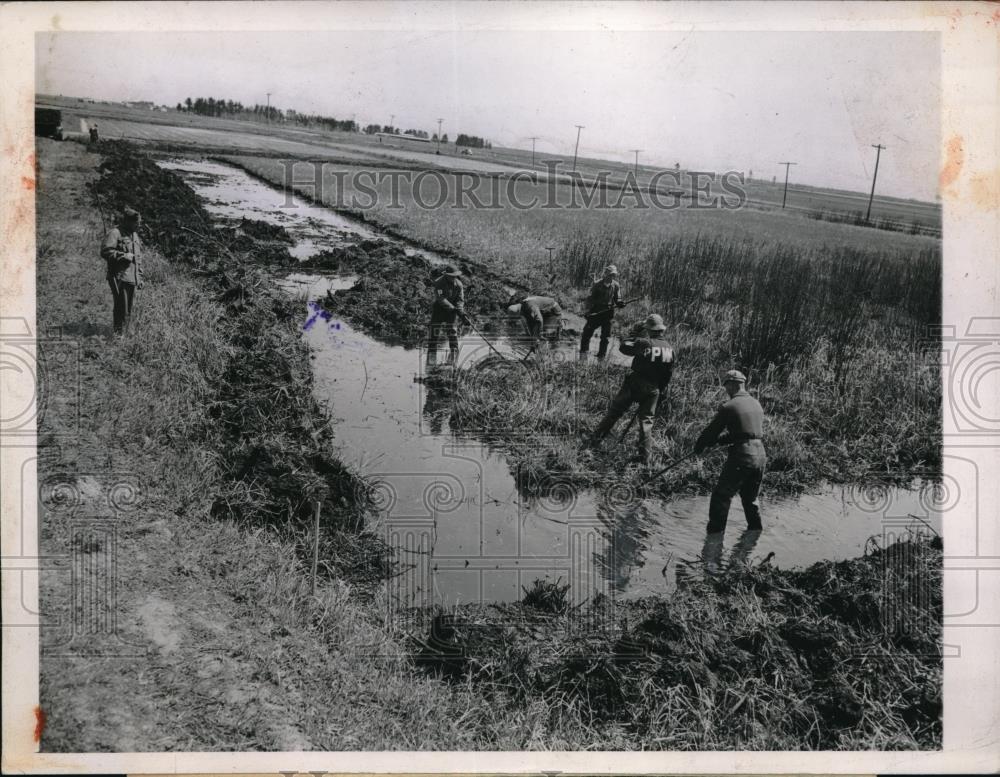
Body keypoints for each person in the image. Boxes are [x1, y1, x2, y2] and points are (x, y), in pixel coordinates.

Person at [587, 313, 674, 466]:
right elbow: (668, 375)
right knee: (646, 423)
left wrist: (634, 332)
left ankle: (594, 441)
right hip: (654, 388)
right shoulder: (670, 349)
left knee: (615, 412)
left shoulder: (644, 342)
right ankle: (645, 460)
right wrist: (659, 391)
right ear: (661, 330)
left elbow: (623, 347)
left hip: (635, 383)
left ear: (648, 328)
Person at [693, 370, 766, 534]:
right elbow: (746, 432)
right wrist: (720, 441)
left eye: (726, 386)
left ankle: (714, 539)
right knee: (750, 499)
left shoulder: (729, 406)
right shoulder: (756, 404)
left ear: (732, 385)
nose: (726, 390)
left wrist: (700, 446)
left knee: (721, 496)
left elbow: (711, 431)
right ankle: (754, 533)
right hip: (760, 454)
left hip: (743, 455)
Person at [101, 206, 143, 335]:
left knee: (130, 308)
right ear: (128, 221)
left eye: (139, 223)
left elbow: (138, 258)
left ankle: (125, 333)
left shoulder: (134, 235)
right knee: (121, 308)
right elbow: (105, 251)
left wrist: (140, 277)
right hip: (120, 276)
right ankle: (119, 336)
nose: (139, 225)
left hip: (132, 278)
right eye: (137, 223)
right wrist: (123, 256)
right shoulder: (115, 233)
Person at [579, 265, 623, 360]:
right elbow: (589, 299)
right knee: (587, 333)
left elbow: (618, 297)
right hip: (596, 311)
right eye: (610, 275)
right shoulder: (597, 284)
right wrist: (587, 311)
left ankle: (601, 356)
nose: (611, 277)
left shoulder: (616, 285)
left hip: (608, 313)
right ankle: (583, 353)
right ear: (605, 274)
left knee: (605, 337)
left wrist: (620, 303)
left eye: (613, 275)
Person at [427, 265, 465, 366]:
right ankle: (431, 356)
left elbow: (460, 300)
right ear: (446, 275)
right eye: (451, 276)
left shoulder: (459, 285)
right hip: (439, 309)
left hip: (451, 312)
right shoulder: (439, 283)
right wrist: (452, 308)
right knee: (434, 331)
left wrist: (460, 310)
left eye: (455, 276)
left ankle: (454, 355)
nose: (453, 278)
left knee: (452, 331)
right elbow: (440, 298)